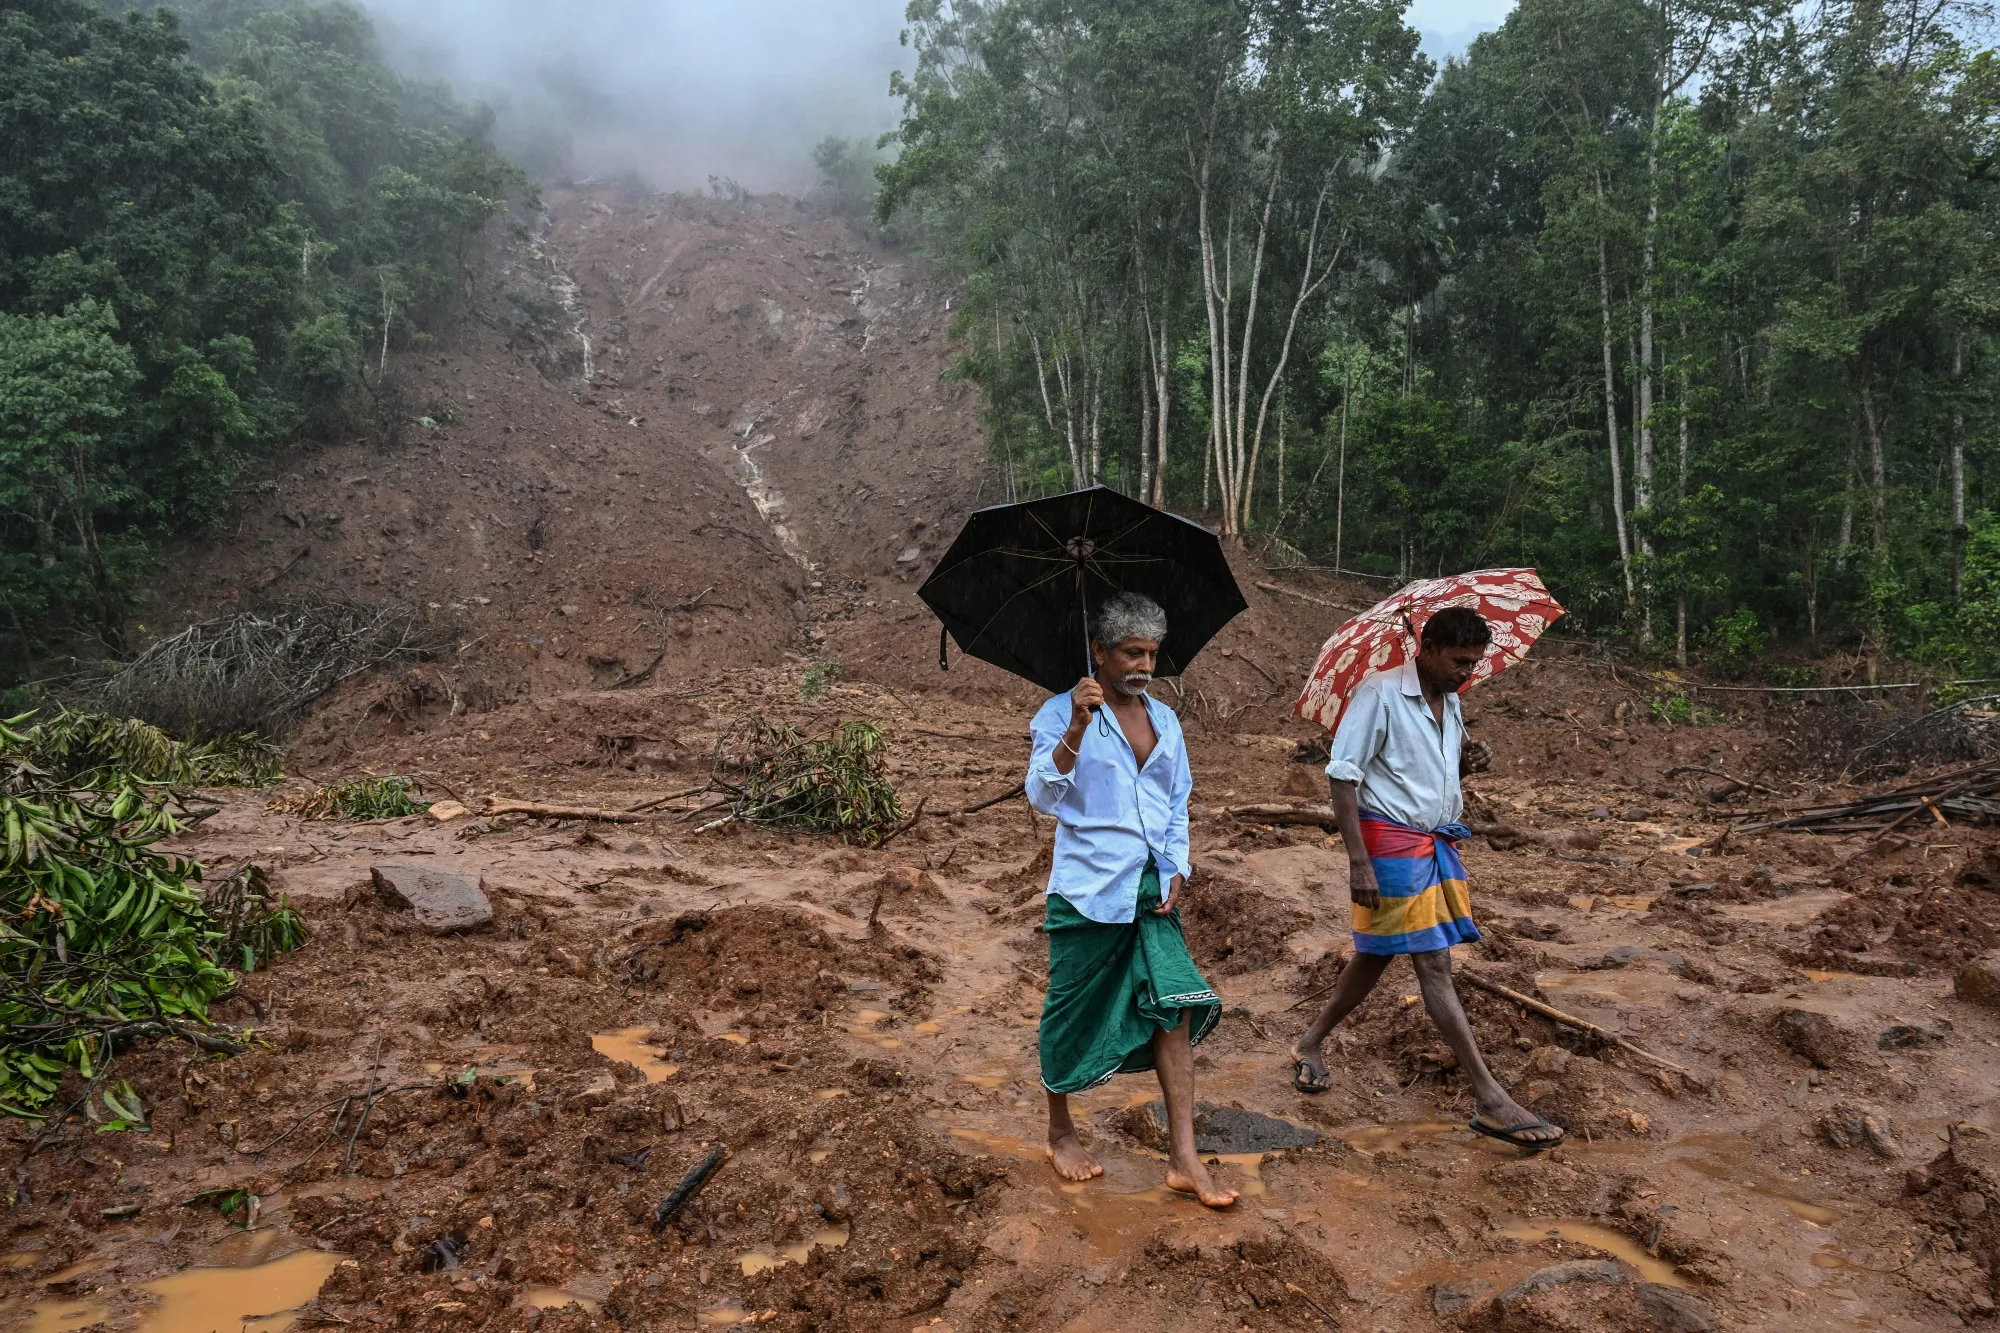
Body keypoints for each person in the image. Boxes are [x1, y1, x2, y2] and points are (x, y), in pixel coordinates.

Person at [1288, 606, 1564, 1150]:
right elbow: (1343, 778)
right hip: (1388, 841)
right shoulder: (1380, 693)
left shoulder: (1452, 701)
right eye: (1460, 661)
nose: (1468, 672)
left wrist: (1467, 764)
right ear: (1430, 647)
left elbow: (1431, 775)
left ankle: (1309, 1041)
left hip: (1433, 840)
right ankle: (1490, 1100)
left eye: (1475, 662)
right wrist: (1358, 861)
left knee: (1377, 951)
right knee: (1432, 961)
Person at [1024, 591, 1238, 1208]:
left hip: (1149, 889)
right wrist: (1074, 731)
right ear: (1099, 651)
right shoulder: (1060, 713)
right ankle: (1060, 1129)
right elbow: (1042, 795)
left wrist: (1178, 866)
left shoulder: (1165, 720)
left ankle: (1184, 1158)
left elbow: (1177, 802)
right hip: (1088, 890)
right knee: (1068, 1007)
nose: (1144, 665)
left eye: (1152, 653)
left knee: (1176, 1005)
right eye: (1130, 652)